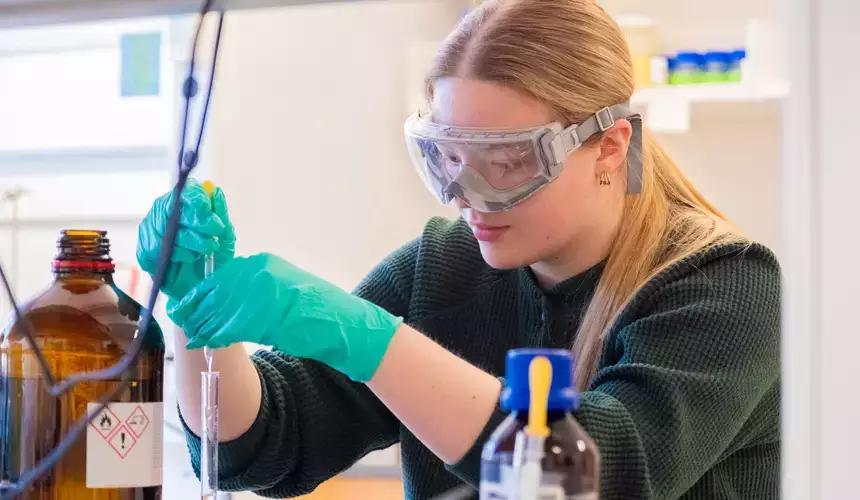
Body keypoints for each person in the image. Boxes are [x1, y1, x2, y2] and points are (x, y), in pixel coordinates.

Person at [136, 0, 780, 498]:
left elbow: (603, 471)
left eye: (506, 161)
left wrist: (376, 344)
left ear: (609, 147)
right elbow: (267, 445)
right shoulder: (442, 267)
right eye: (448, 157)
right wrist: (199, 314)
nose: (466, 196)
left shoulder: (726, 284)